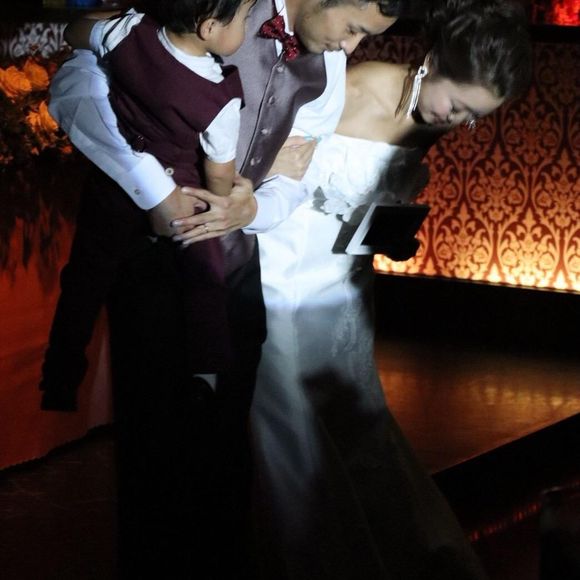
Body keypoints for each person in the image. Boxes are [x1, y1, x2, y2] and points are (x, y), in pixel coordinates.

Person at [45, 0, 400, 577]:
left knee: (225, 458)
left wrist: (253, 208)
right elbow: (75, 82)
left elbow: (297, 174)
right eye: (355, 28)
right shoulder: (214, 5)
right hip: (151, 261)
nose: (353, 47)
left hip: (234, 270)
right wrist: (152, 189)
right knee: (155, 460)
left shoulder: (328, 68)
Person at [194, 0, 529, 578]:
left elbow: (369, 195)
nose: (458, 122)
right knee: (292, 429)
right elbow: (263, 153)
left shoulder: (431, 121)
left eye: (475, 117)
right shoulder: (347, 88)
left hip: (345, 286)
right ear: (432, 62)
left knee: (356, 423)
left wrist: (391, 232)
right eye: (458, 105)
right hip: (284, 270)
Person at [40, 0, 256, 411]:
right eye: (244, 18)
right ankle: (205, 376)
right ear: (209, 27)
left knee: (86, 274)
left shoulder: (129, 32)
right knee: (206, 276)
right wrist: (222, 200)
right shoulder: (220, 94)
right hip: (183, 187)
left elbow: (75, 33)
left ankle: (61, 374)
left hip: (112, 185)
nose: (247, 26)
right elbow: (219, 172)